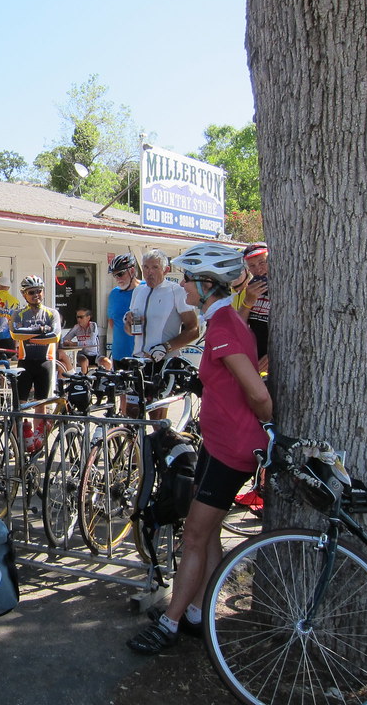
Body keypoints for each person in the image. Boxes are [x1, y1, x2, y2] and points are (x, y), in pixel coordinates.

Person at [127, 242, 272, 655]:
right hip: (219, 441)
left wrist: (271, 427)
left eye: (187, 279)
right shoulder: (226, 318)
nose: (182, 285)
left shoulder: (224, 326)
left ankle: (170, 623)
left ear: (208, 284)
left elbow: (258, 393)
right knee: (204, 532)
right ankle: (196, 613)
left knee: (193, 535)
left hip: (232, 448)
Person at [123, 249, 200, 418]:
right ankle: (136, 445)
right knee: (131, 413)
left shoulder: (176, 291)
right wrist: (127, 323)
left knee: (157, 416)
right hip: (138, 360)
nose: (149, 272)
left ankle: (159, 444)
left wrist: (165, 347)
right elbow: (130, 331)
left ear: (165, 270)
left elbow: (193, 329)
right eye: (145, 267)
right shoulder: (138, 291)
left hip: (163, 361)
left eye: (155, 267)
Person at [10, 275, 61, 446]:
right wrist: (40, 330)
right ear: (24, 294)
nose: (36, 295)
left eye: (39, 291)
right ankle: (17, 443)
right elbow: (16, 334)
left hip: (45, 362)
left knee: (41, 405)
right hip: (25, 362)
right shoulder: (18, 314)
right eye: (31, 292)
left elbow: (54, 336)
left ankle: (40, 442)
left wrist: (30, 335)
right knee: (20, 405)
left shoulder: (52, 313)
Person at [237, 241, 269, 375]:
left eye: (262, 262)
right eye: (252, 266)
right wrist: (248, 302)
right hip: (255, 361)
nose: (258, 269)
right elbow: (239, 326)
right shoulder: (249, 289)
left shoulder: (286, 289)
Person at [105, 254, 140, 371]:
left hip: (141, 356)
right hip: (119, 355)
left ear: (132, 271)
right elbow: (112, 322)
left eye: (120, 274)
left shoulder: (145, 290)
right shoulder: (114, 294)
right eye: (115, 275)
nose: (118, 278)